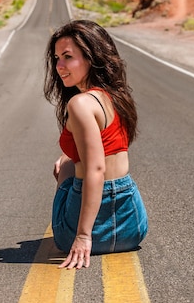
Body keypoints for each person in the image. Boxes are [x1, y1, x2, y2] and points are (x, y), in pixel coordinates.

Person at [44, 19, 148, 270]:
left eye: (68, 57)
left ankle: (82, 228)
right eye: (57, 58)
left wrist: (82, 236)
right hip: (133, 228)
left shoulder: (79, 104)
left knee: (67, 164)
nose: (59, 66)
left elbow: (96, 170)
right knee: (70, 159)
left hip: (80, 234)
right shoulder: (118, 96)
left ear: (91, 57)